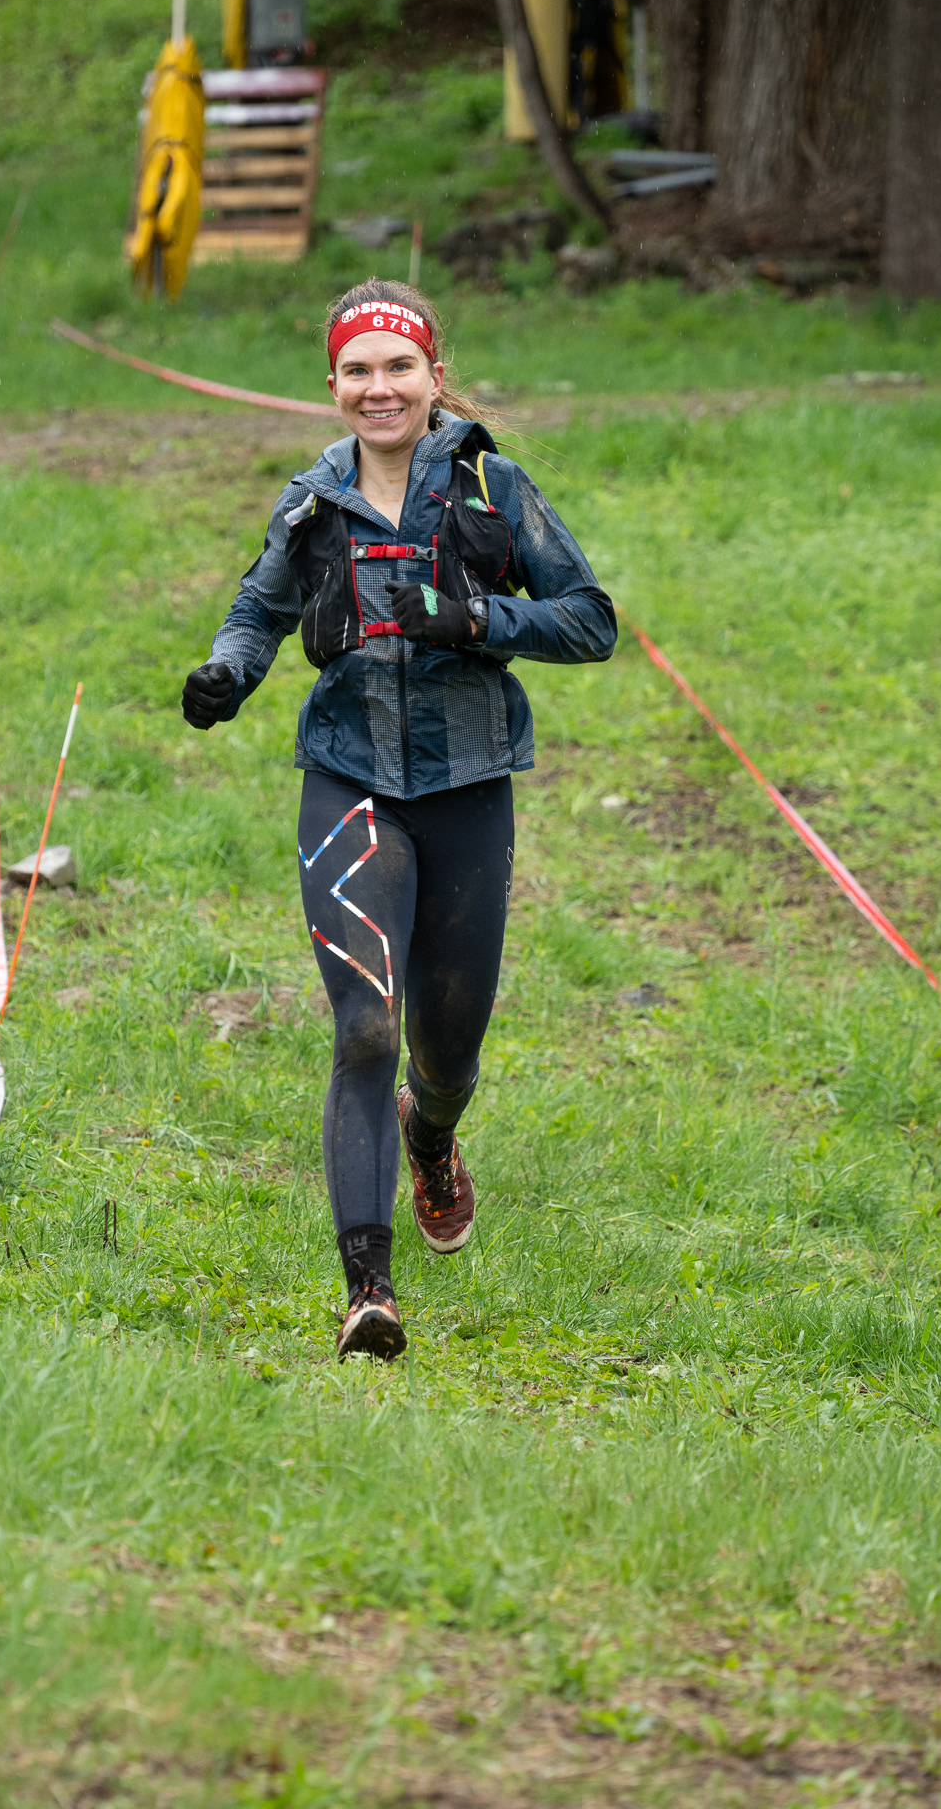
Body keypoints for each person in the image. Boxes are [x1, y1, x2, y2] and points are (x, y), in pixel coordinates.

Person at [181, 280, 617, 1360]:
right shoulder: (312, 500)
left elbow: (589, 620)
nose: (378, 388)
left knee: (446, 1052)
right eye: (357, 370)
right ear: (331, 384)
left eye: (398, 368)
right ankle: (367, 1291)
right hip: (349, 781)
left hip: (467, 786)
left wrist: (474, 617)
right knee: (366, 1027)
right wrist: (228, 672)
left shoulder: (492, 488)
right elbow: (258, 609)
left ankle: (432, 1138)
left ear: (432, 378)